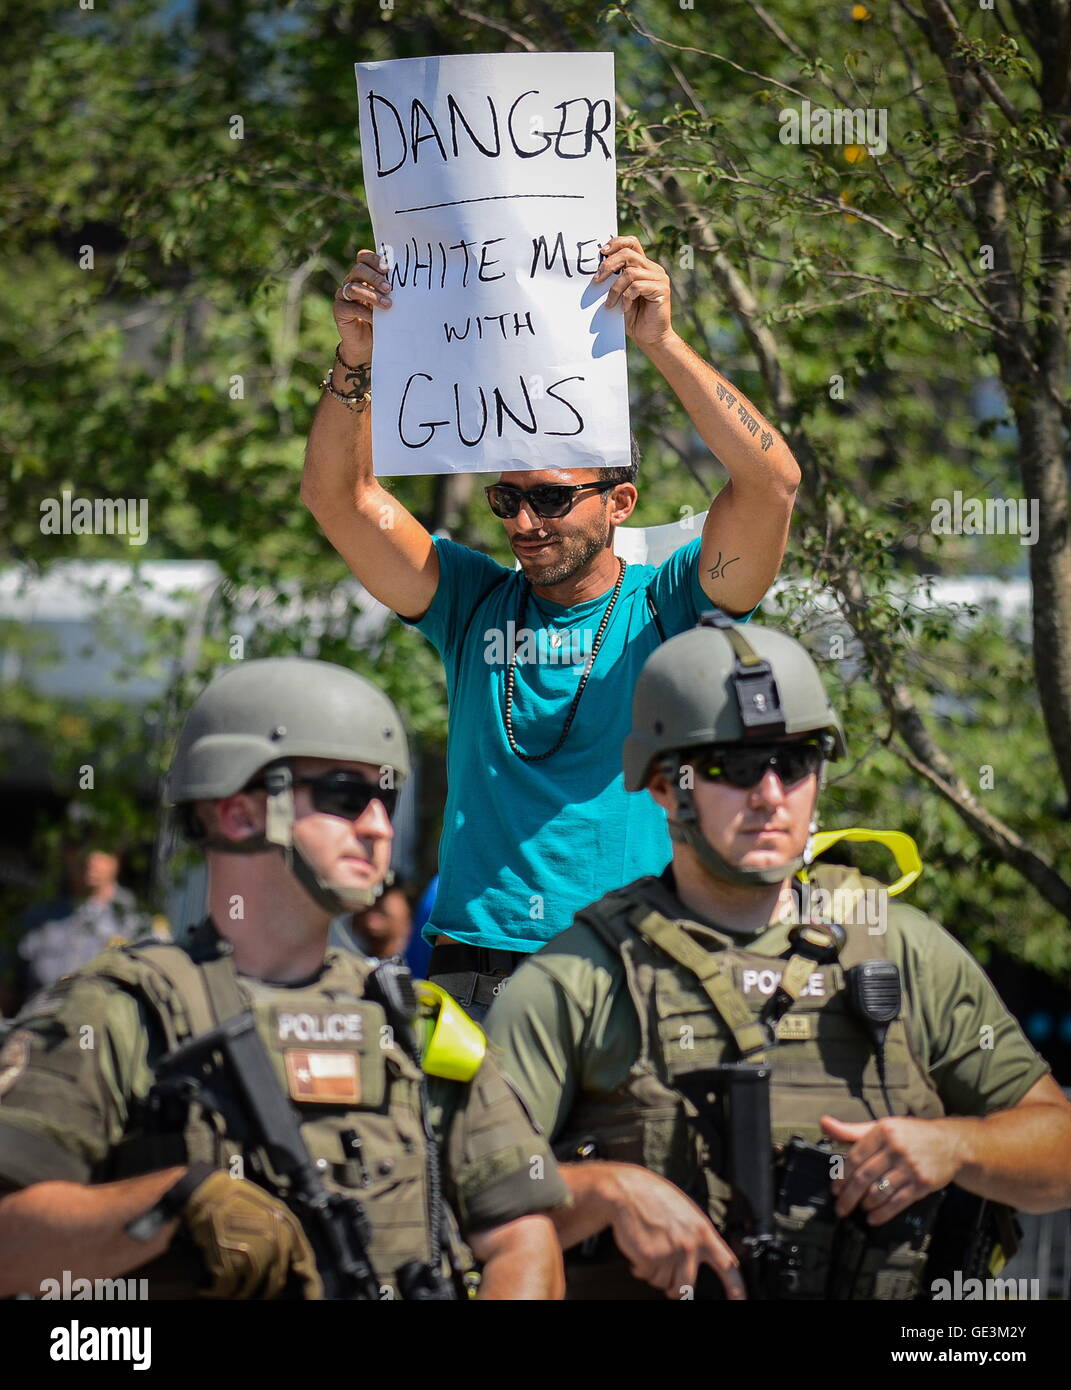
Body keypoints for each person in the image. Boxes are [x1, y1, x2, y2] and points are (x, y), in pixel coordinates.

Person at [485, 614, 1071, 1300]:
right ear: (661, 784)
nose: (769, 795)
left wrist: (957, 1148)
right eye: (730, 767)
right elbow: (465, 1198)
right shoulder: (584, 974)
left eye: (793, 764)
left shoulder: (902, 947)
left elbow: (1061, 1150)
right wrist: (602, 1192)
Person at [302, 236, 800, 1018]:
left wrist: (661, 341)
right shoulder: (469, 602)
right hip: (477, 970)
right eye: (508, 501)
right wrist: (356, 359)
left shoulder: (671, 604)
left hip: (633, 965)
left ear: (621, 502)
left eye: (554, 499)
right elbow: (340, 499)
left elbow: (772, 484)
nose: (526, 523)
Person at [0, 658, 566, 1301]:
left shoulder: (420, 1024)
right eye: (346, 798)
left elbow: (523, 1235)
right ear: (240, 814)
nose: (379, 826)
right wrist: (171, 1205)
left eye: (386, 798)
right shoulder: (118, 1011)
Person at [0, 844, 150, 1017]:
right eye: (80, 845)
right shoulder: (33, 919)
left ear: (118, 855)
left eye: (102, 846)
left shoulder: (140, 925)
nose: (90, 858)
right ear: (65, 851)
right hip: (39, 1034)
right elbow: (5, 997)